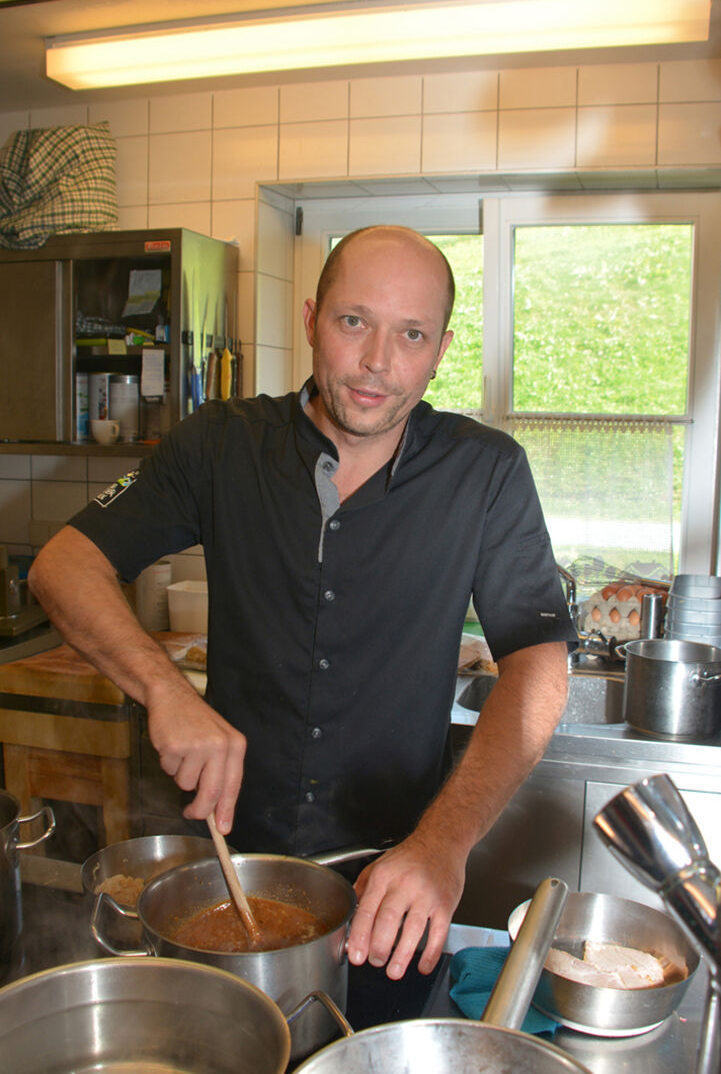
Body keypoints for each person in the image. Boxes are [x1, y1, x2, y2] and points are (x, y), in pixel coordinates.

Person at [29, 224, 576, 981]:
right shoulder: (219, 444)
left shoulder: (485, 473)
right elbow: (63, 565)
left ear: (440, 349)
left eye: (410, 334)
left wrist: (444, 844)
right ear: (313, 318)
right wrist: (161, 689)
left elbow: (538, 663)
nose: (378, 363)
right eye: (354, 322)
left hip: (395, 881)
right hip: (233, 870)